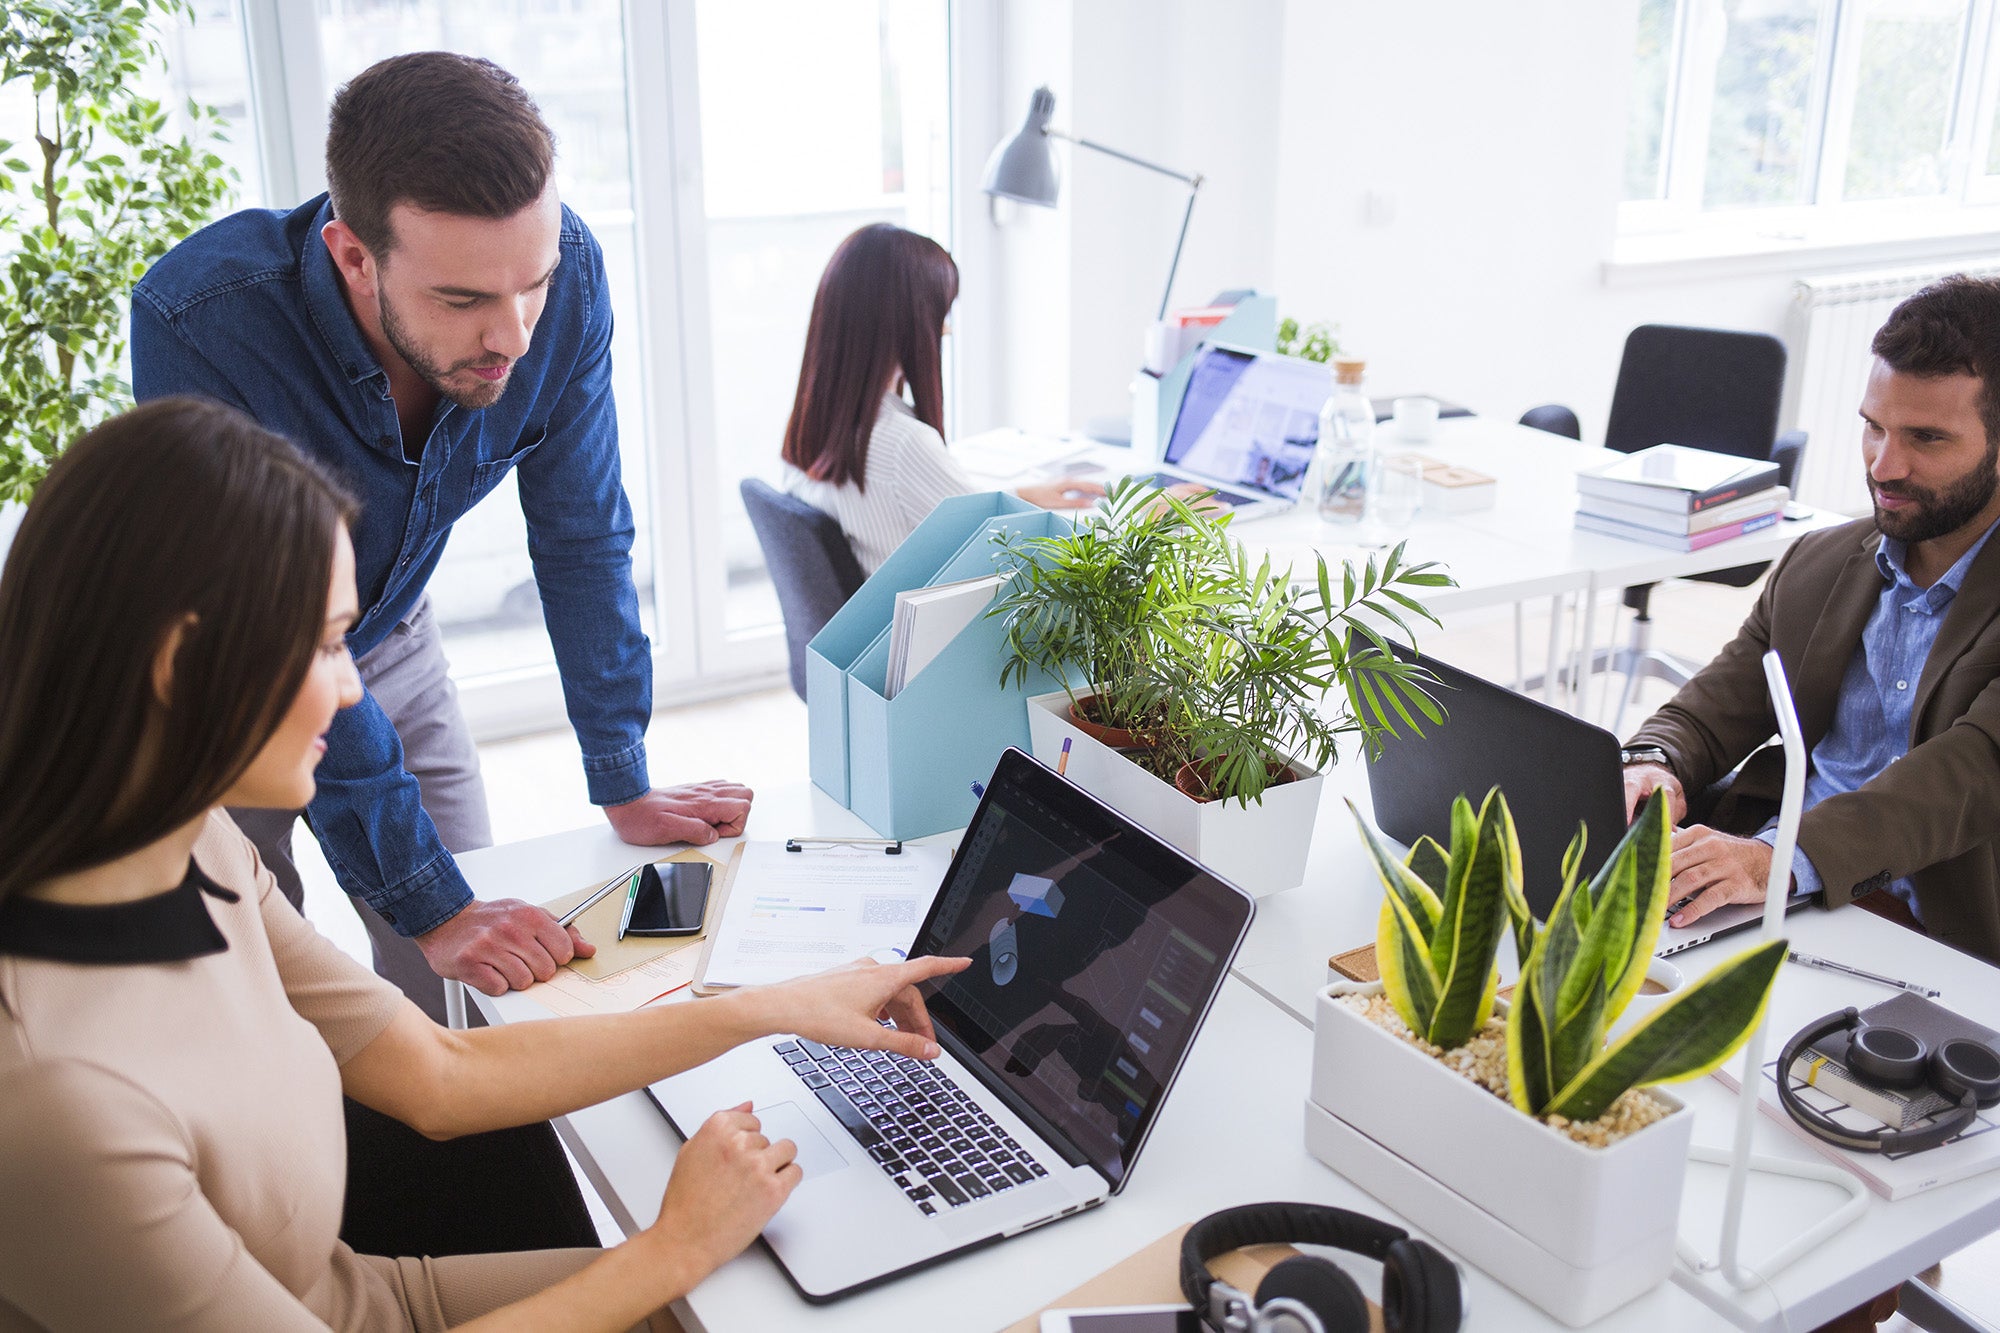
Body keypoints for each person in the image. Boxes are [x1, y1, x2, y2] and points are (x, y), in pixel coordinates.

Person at [0, 397, 972, 1331]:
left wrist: (777, 1003)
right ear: (181, 662)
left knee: (799, 1286)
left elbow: (440, 1071)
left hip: (381, 1298)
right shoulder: (55, 1106)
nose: (352, 692)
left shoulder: (198, 849)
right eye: (330, 644)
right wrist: (668, 1250)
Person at [131, 52, 746, 1019]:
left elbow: (582, 533)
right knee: (257, 993)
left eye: (530, 284)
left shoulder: (563, 278)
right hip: (229, 678)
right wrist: (427, 899)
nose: (515, 335)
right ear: (352, 256)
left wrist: (621, 772)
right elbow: (287, 638)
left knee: (473, 983)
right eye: (462, 301)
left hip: (397, 640)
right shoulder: (202, 324)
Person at [1622, 275, 2000, 966]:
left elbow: (1965, 778)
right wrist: (1656, 762)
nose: (1885, 465)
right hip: (1772, 896)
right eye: (1873, 427)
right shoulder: (1821, 561)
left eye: (1926, 438)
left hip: (1934, 936)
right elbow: (1715, 707)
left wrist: (1777, 858)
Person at [779, 222, 1107, 574]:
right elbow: (1015, 552)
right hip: (937, 627)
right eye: (940, 313)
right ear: (906, 323)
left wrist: (1022, 494)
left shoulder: (815, 428)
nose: (946, 328)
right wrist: (1129, 520)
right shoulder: (902, 444)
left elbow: (958, 510)